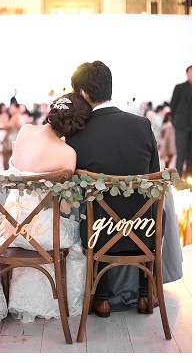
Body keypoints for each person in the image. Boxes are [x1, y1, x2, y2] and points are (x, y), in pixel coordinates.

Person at [0, 93, 92, 342]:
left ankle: (21, 298)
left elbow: (15, 169)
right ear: (77, 125)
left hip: (7, 229)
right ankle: (53, 302)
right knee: (76, 240)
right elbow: (66, 204)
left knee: (48, 230)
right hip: (42, 235)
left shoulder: (25, 130)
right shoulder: (68, 153)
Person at [66, 60, 161, 317]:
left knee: (93, 211)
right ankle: (144, 296)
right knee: (147, 209)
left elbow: (74, 191)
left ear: (83, 94)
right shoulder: (142, 125)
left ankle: (103, 298)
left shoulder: (78, 134)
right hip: (145, 232)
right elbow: (155, 180)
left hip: (100, 234)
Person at [170, 65, 192, 179]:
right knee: (181, 154)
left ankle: (189, 179)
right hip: (181, 126)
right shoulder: (180, 87)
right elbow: (173, 105)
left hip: (192, 126)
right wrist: (175, 121)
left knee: (191, 155)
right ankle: (177, 180)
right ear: (187, 73)